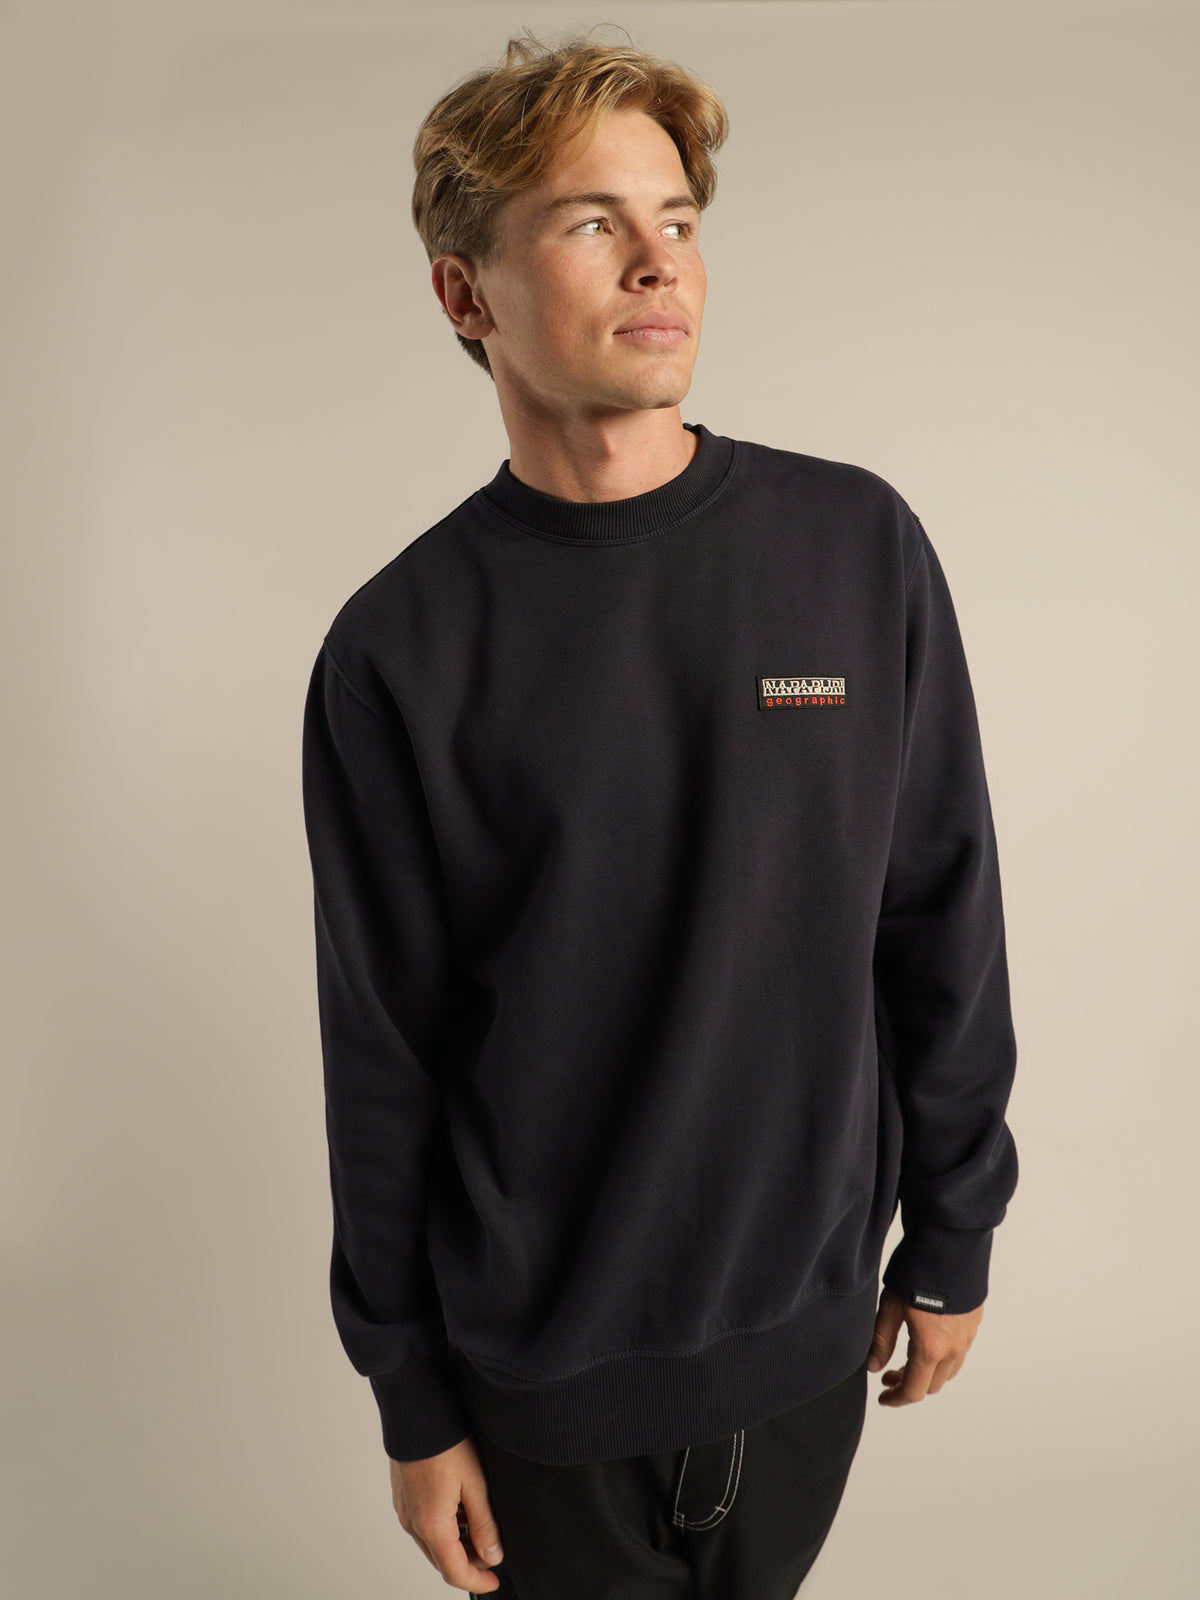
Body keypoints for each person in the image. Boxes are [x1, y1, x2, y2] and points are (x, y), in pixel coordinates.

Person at [301, 30, 1019, 1600]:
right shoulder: (397, 649)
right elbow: (385, 1050)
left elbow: (940, 909)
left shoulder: (857, 548)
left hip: (813, 1353)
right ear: (464, 294)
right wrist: (409, 1395)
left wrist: (957, 1229)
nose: (658, 261)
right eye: (591, 221)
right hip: (539, 1399)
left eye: (678, 219)